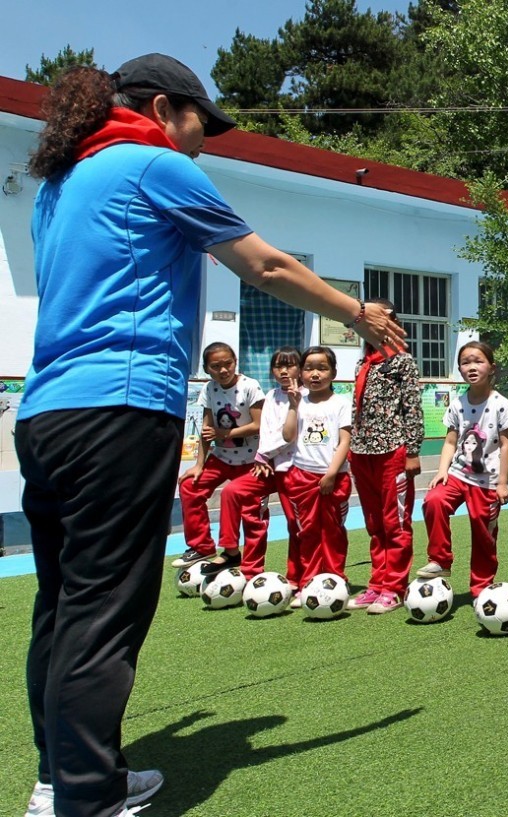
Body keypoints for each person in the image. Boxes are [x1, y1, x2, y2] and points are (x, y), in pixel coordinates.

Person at [18, 54, 402, 817]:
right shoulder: (152, 164)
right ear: (164, 108)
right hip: (120, 412)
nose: (206, 141)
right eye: (202, 123)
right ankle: (85, 802)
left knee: (62, 606)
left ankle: (62, 777)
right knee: (104, 611)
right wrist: (357, 312)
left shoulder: (58, 185)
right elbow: (263, 263)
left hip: (46, 414)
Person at [418, 342, 508, 596]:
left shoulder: (501, 404)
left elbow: (506, 446)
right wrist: (442, 470)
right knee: (434, 501)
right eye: (465, 362)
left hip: (488, 482)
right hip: (459, 475)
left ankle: (481, 586)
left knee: (483, 532)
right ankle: (440, 560)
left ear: (491, 367)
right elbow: (451, 441)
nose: (471, 367)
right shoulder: (457, 403)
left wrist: (503, 482)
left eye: (478, 361)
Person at [346, 299, 424, 616]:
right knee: (374, 523)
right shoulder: (363, 363)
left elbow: (413, 407)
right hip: (362, 452)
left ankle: (395, 587)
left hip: (393, 451)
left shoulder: (402, 362)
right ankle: (377, 583)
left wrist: (413, 451)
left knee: (395, 523)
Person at [171, 342, 264, 573]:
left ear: (235, 362)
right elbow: (206, 429)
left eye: (227, 364)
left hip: (251, 461)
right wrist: (198, 465)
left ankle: (251, 567)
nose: (223, 370)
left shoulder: (250, 386)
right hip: (222, 457)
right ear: (206, 368)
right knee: (190, 486)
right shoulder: (209, 389)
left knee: (251, 511)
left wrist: (224, 434)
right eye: (216, 366)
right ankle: (202, 546)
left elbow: (258, 425)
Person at [218, 346, 305, 588]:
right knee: (232, 492)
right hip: (267, 468)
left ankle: (297, 577)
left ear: (300, 368)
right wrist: (263, 457)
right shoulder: (270, 396)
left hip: (295, 469)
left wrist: (264, 455)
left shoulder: (308, 396)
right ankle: (233, 552)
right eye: (279, 366)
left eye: (290, 365)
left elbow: (291, 436)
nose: (284, 371)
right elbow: (266, 430)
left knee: (294, 522)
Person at [283, 346, 353, 590]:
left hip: (334, 477)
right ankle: (309, 581)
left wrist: (332, 473)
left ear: (333, 373)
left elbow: (345, 440)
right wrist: (293, 406)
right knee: (308, 531)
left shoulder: (341, 403)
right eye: (309, 368)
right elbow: (288, 435)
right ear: (300, 372)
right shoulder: (297, 401)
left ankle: (335, 578)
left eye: (322, 368)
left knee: (333, 530)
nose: (315, 374)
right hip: (301, 476)